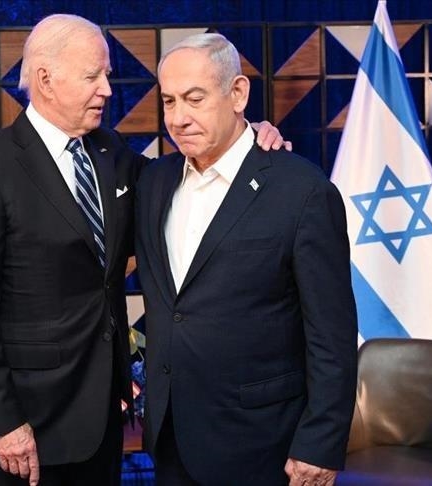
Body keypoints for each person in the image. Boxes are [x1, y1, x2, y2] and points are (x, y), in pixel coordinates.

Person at [0, 15, 287, 486]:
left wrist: (247, 135)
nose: (107, 89)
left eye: (105, 74)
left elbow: (181, 182)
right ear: (45, 79)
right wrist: (3, 423)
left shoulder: (110, 152)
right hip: (26, 425)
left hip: (102, 418)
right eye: (93, 76)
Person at [134, 33, 358, 486]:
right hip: (171, 437)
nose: (178, 118)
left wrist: (320, 441)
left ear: (238, 94)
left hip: (262, 443)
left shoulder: (302, 191)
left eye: (195, 98)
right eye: (169, 101)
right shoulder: (153, 182)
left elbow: (331, 334)